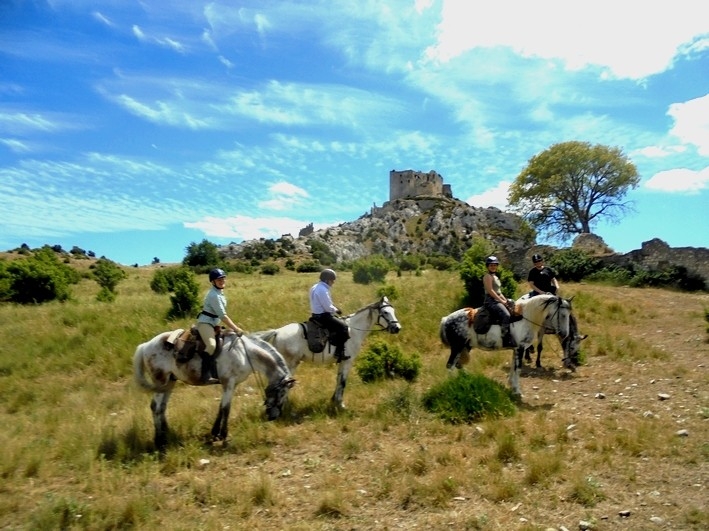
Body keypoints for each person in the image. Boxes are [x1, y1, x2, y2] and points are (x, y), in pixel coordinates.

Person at [196, 268, 244, 384]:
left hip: (214, 323)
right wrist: (236, 328)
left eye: (223, 278)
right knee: (211, 345)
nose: (222, 281)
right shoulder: (214, 295)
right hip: (205, 323)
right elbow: (223, 316)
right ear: (213, 282)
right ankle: (205, 375)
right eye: (218, 280)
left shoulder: (219, 293)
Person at [309, 268, 350, 363]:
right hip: (323, 316)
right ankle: (339, 353)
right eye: (332, 280)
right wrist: (337, 310)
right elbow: (327, 307)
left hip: (315, 315)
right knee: (343, 327)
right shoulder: (323, 290)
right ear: (327, 280)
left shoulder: (314, 287)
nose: (333, 282)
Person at [483, 256, 515, 348]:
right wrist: (501, 301)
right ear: (487, 266)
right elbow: (490, 291)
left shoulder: (495, 277)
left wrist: (506, 301)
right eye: (491, 265)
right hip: (490, 301)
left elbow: (499, 291)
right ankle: (505, 339)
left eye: (495, 265)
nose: (493, 267)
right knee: (506, 315)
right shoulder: (487, 276)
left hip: (496, 299)